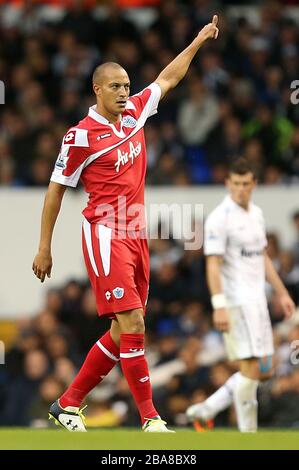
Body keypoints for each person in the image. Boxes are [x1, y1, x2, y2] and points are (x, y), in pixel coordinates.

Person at [32, 16, 220, 432]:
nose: (123, 91)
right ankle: (150, 418)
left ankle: (67, 404)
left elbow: (168, 78)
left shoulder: (136, 110)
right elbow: (54, 190)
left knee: (123, 331)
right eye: (115, 86)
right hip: (104, 232)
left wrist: (199, 40)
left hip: (135, 232)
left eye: (126, 84)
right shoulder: (79, 137)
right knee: (134, 323)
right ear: (96, 89)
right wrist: (44, 247)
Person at [186, 158, 295, 432]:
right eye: (236, 184)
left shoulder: (256, 214)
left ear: (254, 184)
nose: (241, 189)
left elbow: (262, 257)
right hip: (236, 302)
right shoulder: (219, 219)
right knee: (250, 368)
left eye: (246, 184)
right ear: (227, 184)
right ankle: (248, 436)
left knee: (265, 369)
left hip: (258, 301)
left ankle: (206, 408)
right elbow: (213, 264)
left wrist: (281, 292)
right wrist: (219, 304)